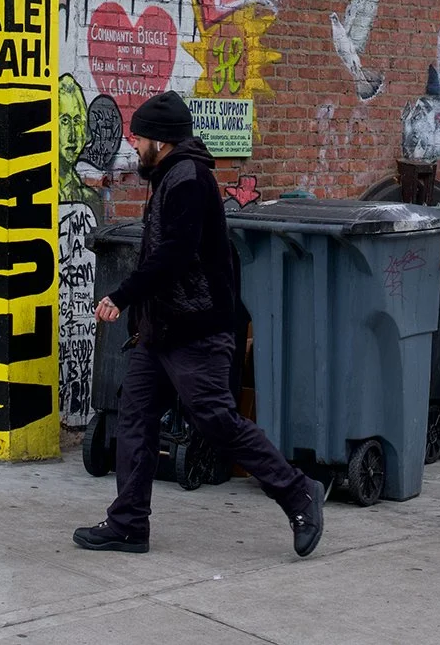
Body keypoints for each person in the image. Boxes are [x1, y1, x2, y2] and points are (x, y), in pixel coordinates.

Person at [73, 91, 324, 558]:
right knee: (136, 417)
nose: (134, 144)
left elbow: (174, 255)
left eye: (140, 136)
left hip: (196, 331)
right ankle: (128, 524)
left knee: (217, 421)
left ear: (161, 143)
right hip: (162, 330)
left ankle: (298, 492)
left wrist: (122, 295)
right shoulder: (169, 175)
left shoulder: (188, 178)